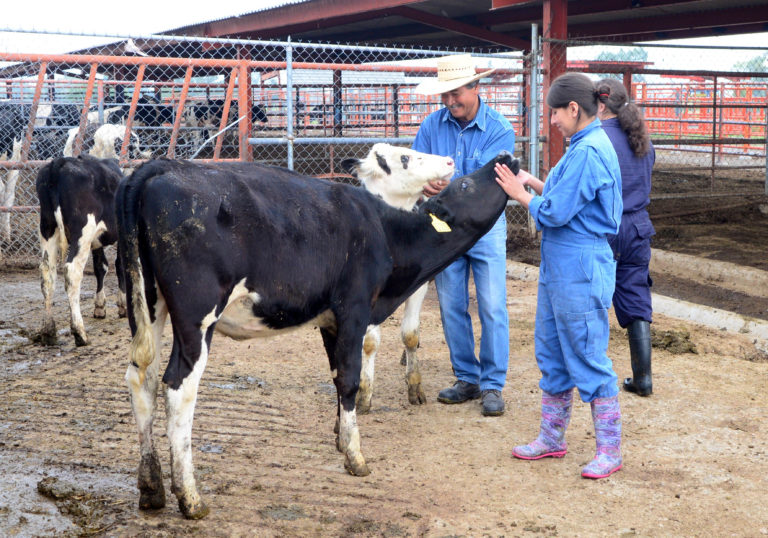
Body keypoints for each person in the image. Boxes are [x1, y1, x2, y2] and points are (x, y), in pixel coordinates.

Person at [494, 72, 624, 478]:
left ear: (574, 109)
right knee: (551, 350)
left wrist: (521, 195)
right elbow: (570, 197)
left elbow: (555, 212)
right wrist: (535, 182)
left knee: (587, 352)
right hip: (561, 262)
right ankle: (552, 438)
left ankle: (610, 450)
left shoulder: (588, 150)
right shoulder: (581, 145)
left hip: (580, 263)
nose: (550, 119)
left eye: (554, 111)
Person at [412, 53, 516, 417]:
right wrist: (425, 183)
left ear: (475, 87)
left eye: (456, 93)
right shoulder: (431, 126)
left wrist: (445, 185)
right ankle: (467, 378)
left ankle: (492, 385)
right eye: (445, 95)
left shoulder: (500, 129)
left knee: (491, 305)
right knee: (451, 304)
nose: (450, 102)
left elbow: (486, 186)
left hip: (484, 226)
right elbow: (417, 168)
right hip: (444, 227)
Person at [596, 78, 656, 397]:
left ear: (601, 104)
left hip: (606, 226)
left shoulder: (596, 139)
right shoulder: (642, 139)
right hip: (638, 228)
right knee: (635, 296)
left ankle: (589, 374)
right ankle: (643, 379)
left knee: (592, 297)